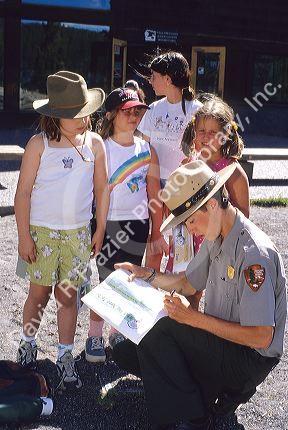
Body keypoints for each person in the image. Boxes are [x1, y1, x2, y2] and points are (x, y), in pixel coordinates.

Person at [112, 160, 287, 430]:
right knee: (127, 351)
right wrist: (144, 273)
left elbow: (261, 335)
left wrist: (192, 319)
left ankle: (194, 417)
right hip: (223, 342)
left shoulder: (253, 254)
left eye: (191, 220)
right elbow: (187, 283)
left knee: (163, 332)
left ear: (213, 205)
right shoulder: (216, 234)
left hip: (249, 359)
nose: (190, 229)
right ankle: (208, 393)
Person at [14, 71, 109, 390]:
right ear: (56, 116)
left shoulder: (95, 144)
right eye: (76, 115)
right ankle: (28, 342)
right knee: (38, 293)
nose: (84, 119)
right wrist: (24, 236)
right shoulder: (38, 144)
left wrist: (100, 229)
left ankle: (66, 356)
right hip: (41, 234)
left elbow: (102, 188)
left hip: (78, 235)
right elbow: (23, 193)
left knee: (69, 297)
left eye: (86, 112)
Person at [85, 87, 163, 363]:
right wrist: (100, 229)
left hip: (138, 224)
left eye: (138, 110)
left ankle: (116, 334)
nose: (134, 115)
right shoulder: (100, 147)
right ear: (111, 114)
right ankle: (94, 335)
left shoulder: (148, 150)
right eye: (127, 111)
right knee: (106, 279)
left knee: (129, 280)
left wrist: (157, 230)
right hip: (108, 223)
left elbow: (154, 194)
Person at [166, 97, 250, 275]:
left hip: (217, 244)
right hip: (186, 241)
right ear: (194, 132)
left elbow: (243, 218)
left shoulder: (233, 172)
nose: (205, 136)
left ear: (225, 135)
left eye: (213, 132)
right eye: (202, 130)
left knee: (214, 292)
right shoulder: (189, 166)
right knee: (181, 290)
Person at [137, 51, 203, 269]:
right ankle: (147, 295)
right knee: (155, 243)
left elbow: (203, 150)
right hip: (155, 186)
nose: (150, 81)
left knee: (180, 248)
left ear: (167, 79)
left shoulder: (197, 111)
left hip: (184, 189)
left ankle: (176, 298)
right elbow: (144, 148)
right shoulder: (153, 109)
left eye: (153, 76)